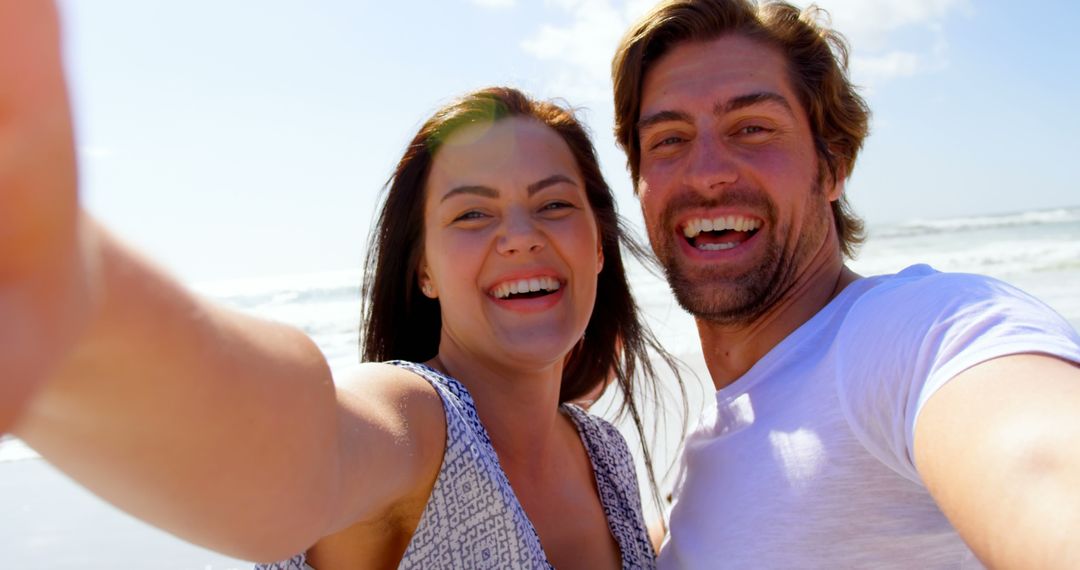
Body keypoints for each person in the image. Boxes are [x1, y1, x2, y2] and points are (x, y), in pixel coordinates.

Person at [0, 2, 679, 568]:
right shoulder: (417, 422)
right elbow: (307, 452)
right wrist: (69, 296)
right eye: (471, 213)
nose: (520, 234)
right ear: (424, 271)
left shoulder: (603, 454)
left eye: (554, 204)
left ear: (597, 245)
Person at [610, 0, 1080, 567]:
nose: (707, 171)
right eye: (669, 139)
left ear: (832, 165)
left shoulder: (913, 332)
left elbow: (1041, 458)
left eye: (752, 128)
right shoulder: (707, 456)